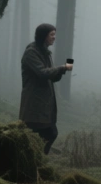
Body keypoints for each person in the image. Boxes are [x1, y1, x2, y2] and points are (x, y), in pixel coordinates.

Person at [19, 23, 73, 154]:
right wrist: (61, 68)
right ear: (43, 36)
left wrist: (62, 71)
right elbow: (42, 73)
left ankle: (38, 158)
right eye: (51, 34)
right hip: (33, 103)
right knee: (44, 133)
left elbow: (51, 76)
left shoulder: (45, 52)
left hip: (45, 103)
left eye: (55, 34)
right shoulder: (31, 52)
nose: (54, 37)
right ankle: (36, 159)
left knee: (49, 133)